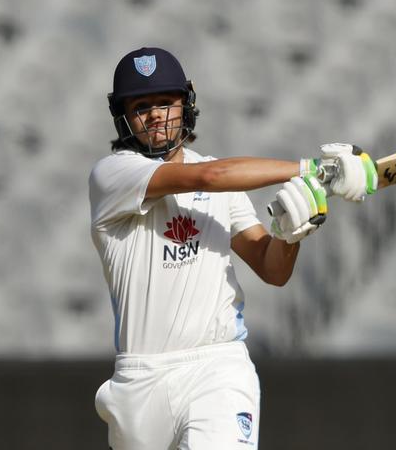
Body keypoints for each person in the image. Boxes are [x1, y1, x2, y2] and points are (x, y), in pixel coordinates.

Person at [89, 47, 377, 450]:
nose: (155, 115)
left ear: (186, 105)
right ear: (124, 117)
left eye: (165, 103)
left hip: (216, 366)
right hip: (141, 379)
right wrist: (314, 169)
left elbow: (271, 269)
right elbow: (208, 176)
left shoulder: (225, 186)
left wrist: (289, 236)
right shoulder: (113, 176)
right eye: (141, 106)